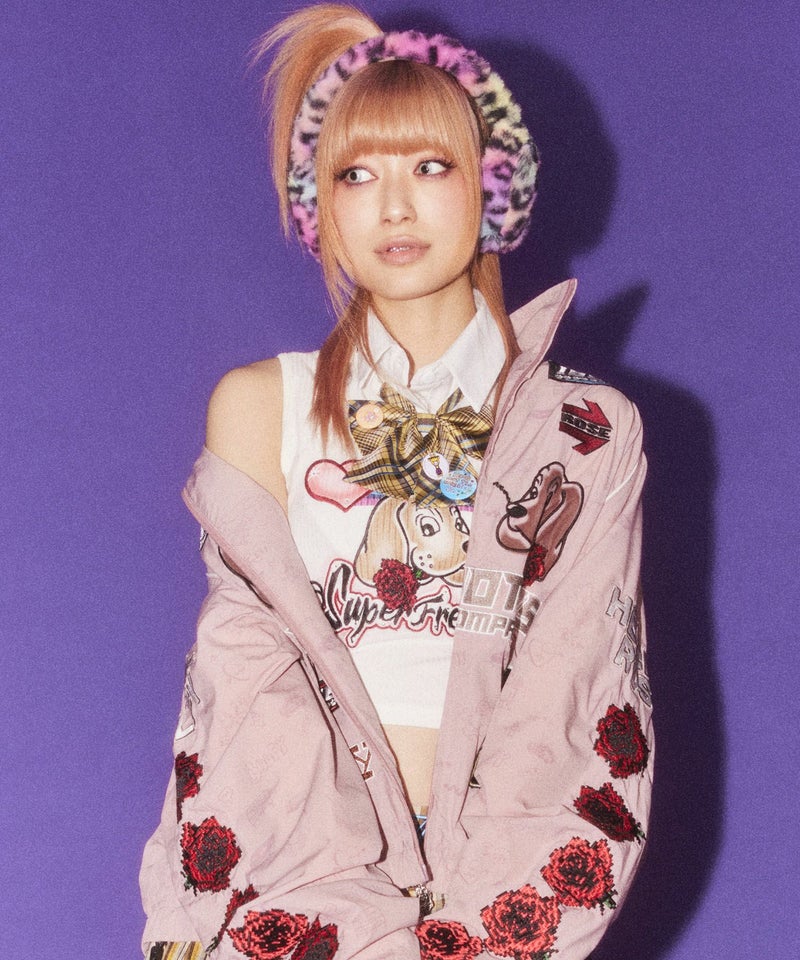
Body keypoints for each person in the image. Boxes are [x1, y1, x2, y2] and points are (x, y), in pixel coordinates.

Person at [139, 5, 653, 959]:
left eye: (430, 166)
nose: (393, 207)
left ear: (495, 186)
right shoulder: (260, 407)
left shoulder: (583, 431)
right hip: (292, 894)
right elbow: (246, 696)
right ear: (319, 205)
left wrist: (475, 939)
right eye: (356, 174)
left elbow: (576, 705)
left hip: (506, 910)